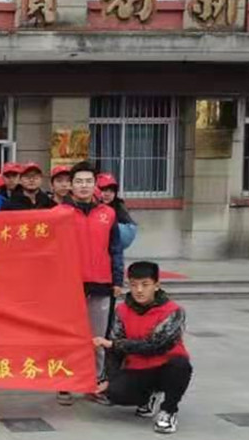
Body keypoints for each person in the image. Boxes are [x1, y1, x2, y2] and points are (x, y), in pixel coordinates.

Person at [93, 261, 192, 435]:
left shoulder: (173, 311)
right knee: (113, 392)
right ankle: (148, 398)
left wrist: (115, 344)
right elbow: (114, 348)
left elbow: (155, 345)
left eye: (145, 285)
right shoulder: (122, 310)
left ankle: (168, 411)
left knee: (181, 365)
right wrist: (110, 379)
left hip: (165, 367)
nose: (139, 290)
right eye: (133, 285)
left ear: (156, 285)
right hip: (138, 368)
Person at [58, 161, 124, 406]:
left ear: (95, 184)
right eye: (79, 181)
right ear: (70, 185)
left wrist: (118, 279)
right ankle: (65, 383)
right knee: (68, 336)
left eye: (88, 181)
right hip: (69, 285)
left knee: (97, 338)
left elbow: (115, 249)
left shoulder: (109, 213)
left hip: (101, 283)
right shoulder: (59, 213)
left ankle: (94, 383)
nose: (83, 186)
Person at [97, 173, 138, 250]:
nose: (107, 194)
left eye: (111, 191)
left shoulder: (118, 205)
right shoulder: (91, 206)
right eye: (104, 190)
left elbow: (129, 229)